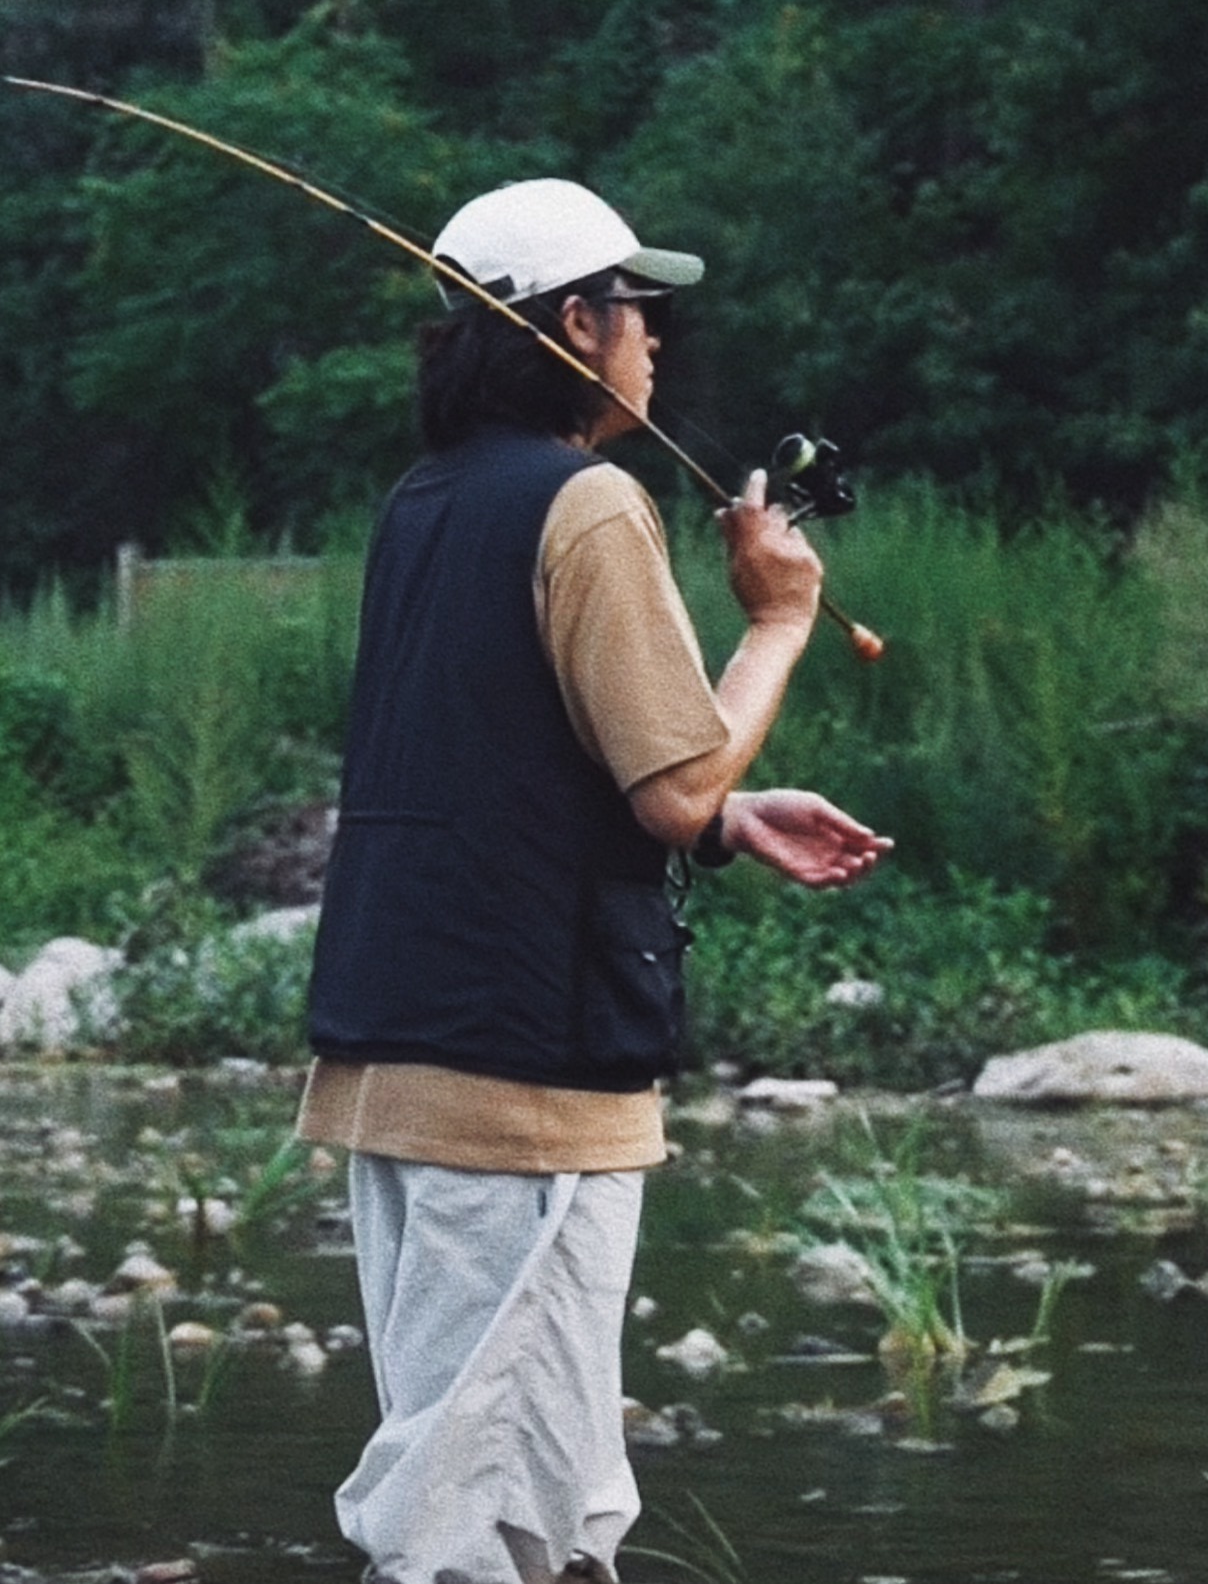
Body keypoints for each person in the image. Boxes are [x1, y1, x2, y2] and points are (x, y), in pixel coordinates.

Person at [301, 174, 888, 1584]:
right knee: (470, 1506)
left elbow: (504, 760)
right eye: (637, 309)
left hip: (399, 1046)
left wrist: (731, 816)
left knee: (532, 1484)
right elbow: (668, 782)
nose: (654, 341)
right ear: (576, 322)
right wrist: (779, 623)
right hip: (517, 1069)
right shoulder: (590, 502)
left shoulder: (423, 500)